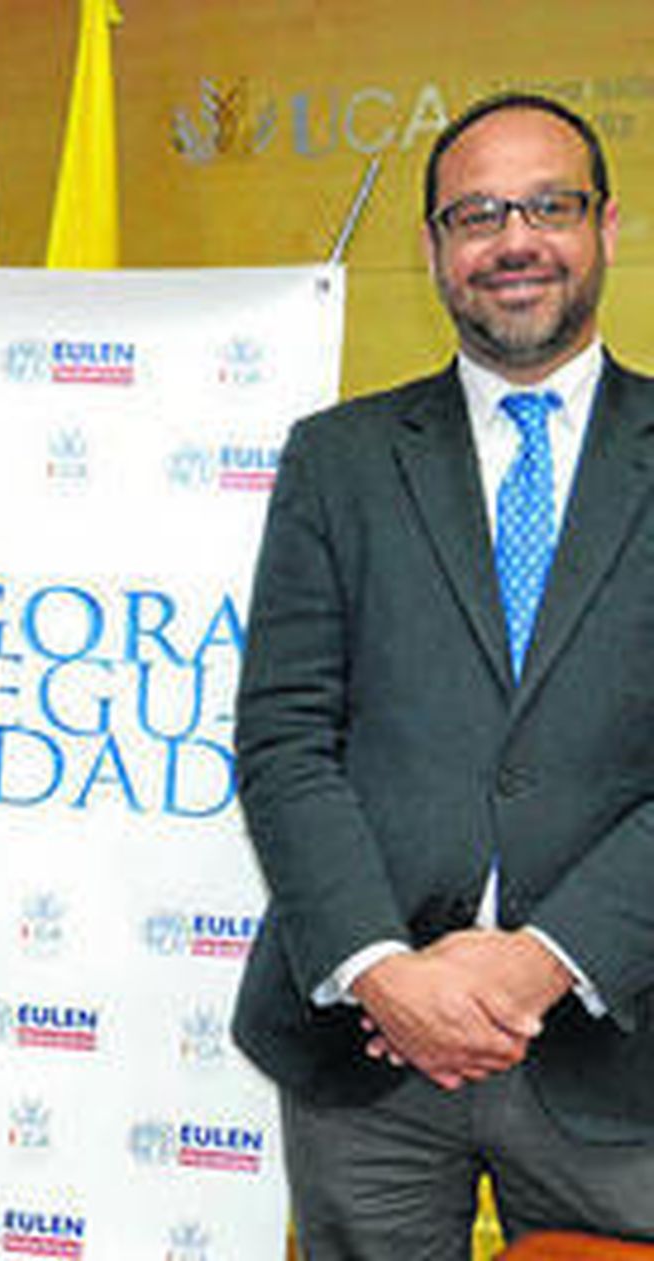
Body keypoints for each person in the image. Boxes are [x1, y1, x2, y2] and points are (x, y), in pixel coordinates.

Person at [233, 91, 654, 1255]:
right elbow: (281, 738)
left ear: (605, 228)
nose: (512, 239)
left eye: (547, 206)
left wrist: (540, 961)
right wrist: (379, 971)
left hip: (619, 1053)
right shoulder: (338, 459)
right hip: (370, 1054)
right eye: (475, 214)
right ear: (432, 250)